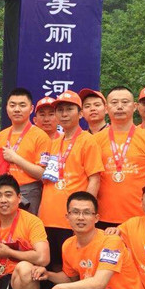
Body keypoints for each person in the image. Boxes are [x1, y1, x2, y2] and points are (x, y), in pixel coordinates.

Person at [37, 91, 103, 270]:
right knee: (48, 269)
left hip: (72, 220)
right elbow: (47, 180)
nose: (64, 114)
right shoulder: (53, 143)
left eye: (69, 109)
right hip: (47, 218)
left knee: (70, 270)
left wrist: (86, 214)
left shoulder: (87, 141)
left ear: (80, 114)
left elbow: (95, 179)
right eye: (60, 110)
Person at [94, 86, 145, 228]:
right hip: (102, 216)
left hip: (139, 217)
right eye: (114, 103)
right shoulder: (94, 141)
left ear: (135, 106)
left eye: (125, 102)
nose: (119, 107)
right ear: (106, 108)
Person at [0, 88, 52, 216]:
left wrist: (15, 158)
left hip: (29, 192)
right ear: (6, 108)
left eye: (22, 105)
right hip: (3, 193)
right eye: (12, 105)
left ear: (31, 109)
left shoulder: (40, 136)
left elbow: (42, 173)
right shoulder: (1, 136)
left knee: (27, 227)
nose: (17, 109)